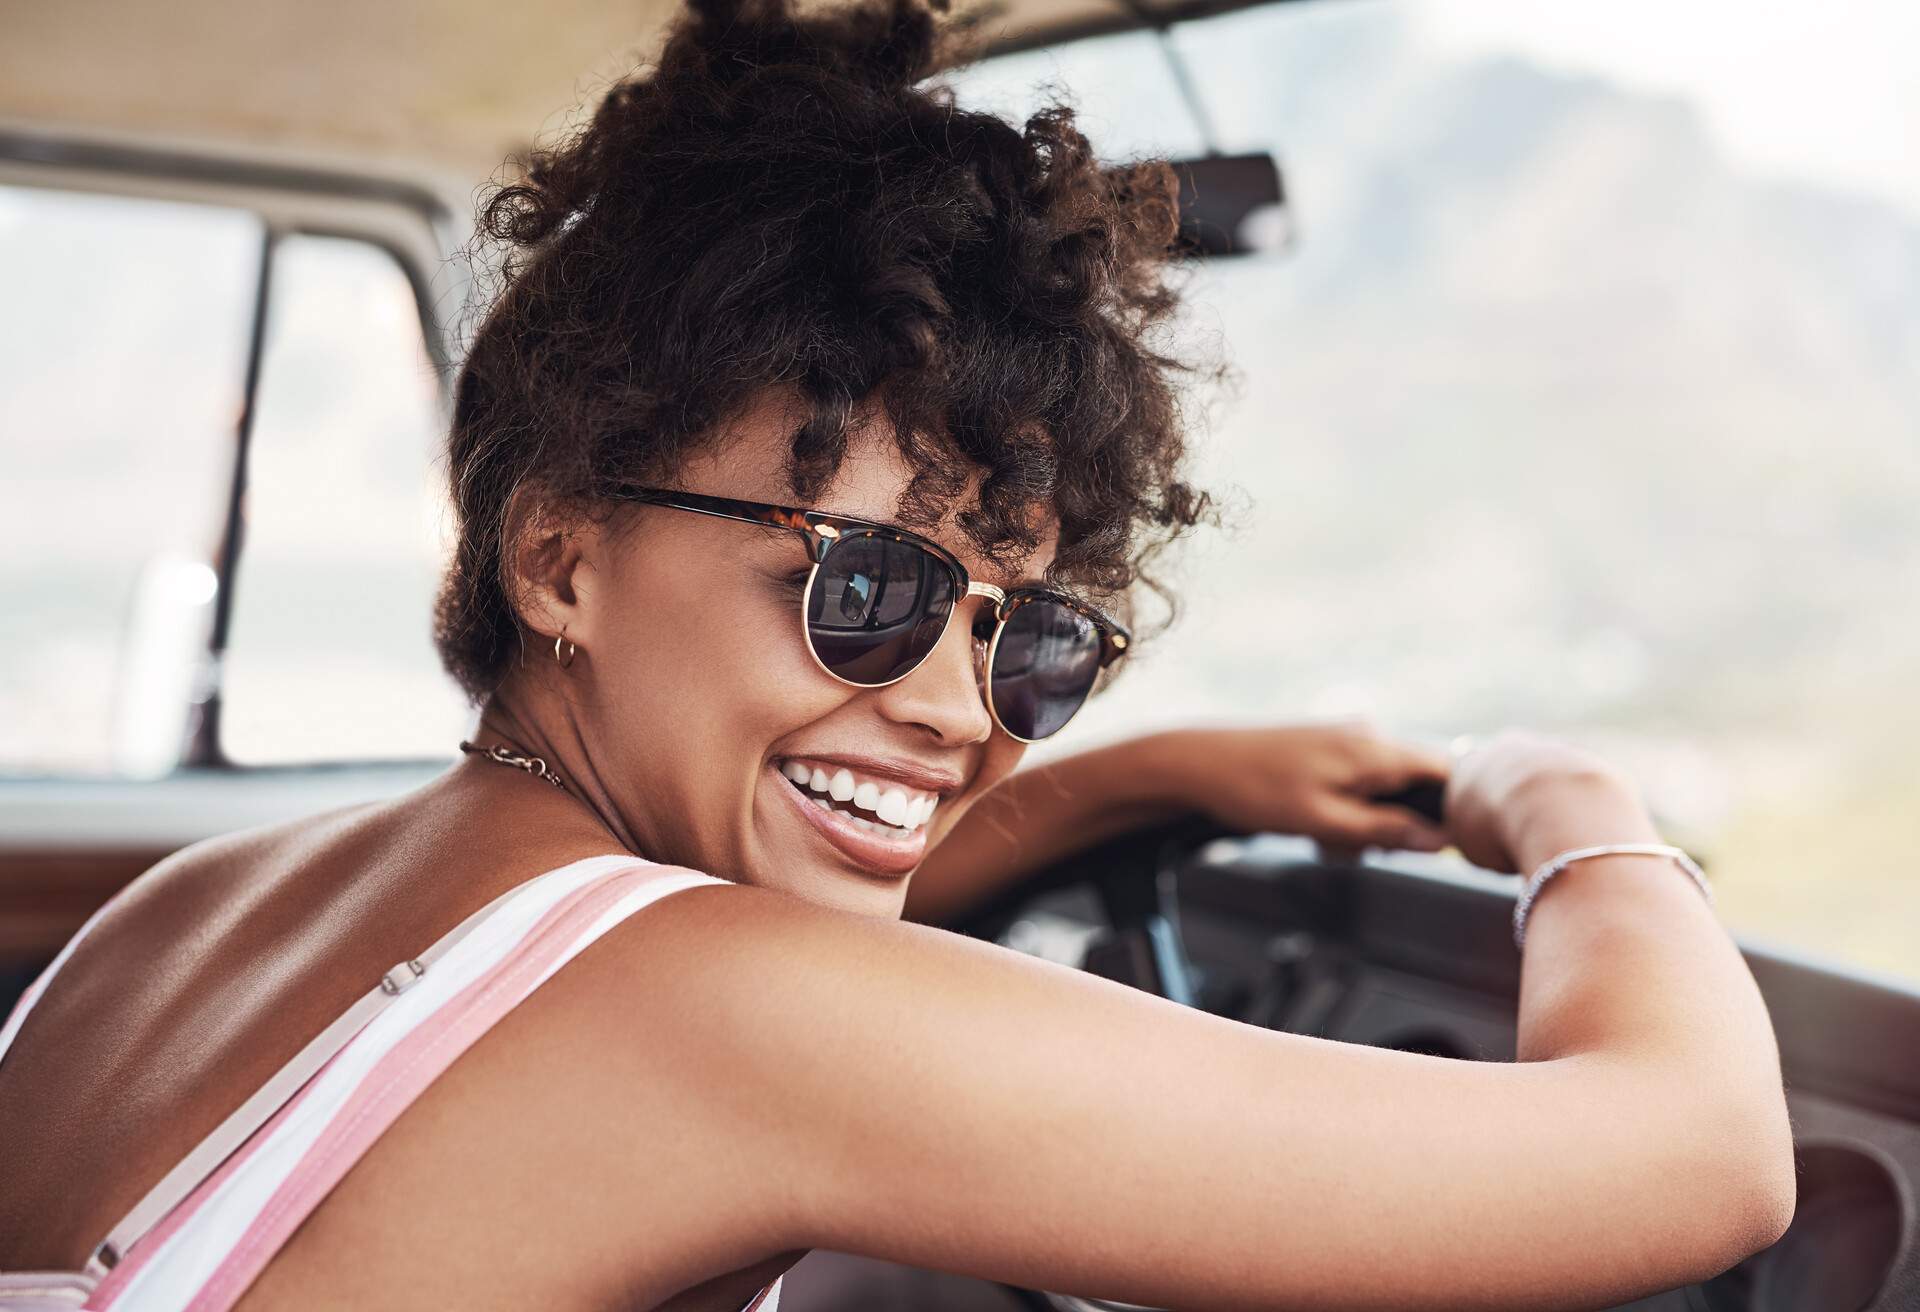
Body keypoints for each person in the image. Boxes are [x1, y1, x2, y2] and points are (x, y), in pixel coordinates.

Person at [0, 0, 1794, 1306]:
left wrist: (1164, 776)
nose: (953, 711)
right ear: (558, 553)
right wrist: (1569, 804)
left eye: (1029, 639)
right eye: (868, 587)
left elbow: (695, 961)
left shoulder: (172, 928)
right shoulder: (719, 1018)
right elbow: (1697, 1157)